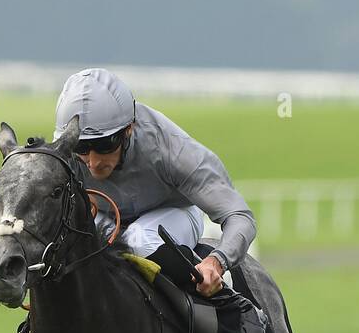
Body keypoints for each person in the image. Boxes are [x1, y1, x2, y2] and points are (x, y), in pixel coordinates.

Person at [54, 67, 254, 299]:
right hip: (105, 216)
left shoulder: (172, 151)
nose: (93, 162)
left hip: (174, 214)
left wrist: (216, 262)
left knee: (137, 239)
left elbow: (240, 216)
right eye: (81, 147)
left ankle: (223, 301)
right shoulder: (63, 153)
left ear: (128, 130)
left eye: (104, 145)